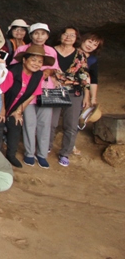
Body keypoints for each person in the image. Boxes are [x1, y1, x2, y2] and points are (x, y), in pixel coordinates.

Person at [10, 23, 60, 168]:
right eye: (36, 33)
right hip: (26, 91)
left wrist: (47, 72)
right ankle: (29, 153)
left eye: (43, 33)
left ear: (47, 36)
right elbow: (14, 67)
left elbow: (55, 68)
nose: (39, 37)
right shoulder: (22, 49)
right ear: (30, 35)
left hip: (45, 90)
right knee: (29, 123)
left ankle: (42, 154)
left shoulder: (50, 50)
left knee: (45, 123)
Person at [0, 45, 50, 168]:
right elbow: (1, 91)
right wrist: (2, 110)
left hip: (14, 107)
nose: (36, 64)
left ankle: (11, 155)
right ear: (24, 60)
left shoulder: (38, 75)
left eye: (40, 61)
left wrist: (19, 111)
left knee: (16, 125)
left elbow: (33, 94)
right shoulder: (12, 71)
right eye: (33, 60)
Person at [50, 27, 91, 167]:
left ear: (76, 38)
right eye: (65, 34)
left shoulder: (80, 54)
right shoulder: (50, 51)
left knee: (71, 124)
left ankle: (65, 153)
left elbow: (84, 75)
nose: (68, 37)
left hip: (74, 92)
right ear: (60, 36)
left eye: (72, 35)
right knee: (51, 123)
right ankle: (46, 147)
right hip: (53, 90)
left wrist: (86, 96)